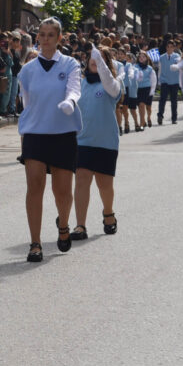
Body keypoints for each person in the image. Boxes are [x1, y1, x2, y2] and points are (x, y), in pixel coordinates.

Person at [16, 18, 82, 263]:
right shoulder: (28, 70)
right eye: (42, 34)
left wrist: (70, 101)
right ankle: (35, 243)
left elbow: (74, 88)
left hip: (63, 133)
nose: (45, 39)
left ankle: (63, 225)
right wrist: (28, 127)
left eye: (50, 35)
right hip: (35, 133)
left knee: (62, 192)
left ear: (59, 38)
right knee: (34, 187)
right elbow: (26, 102)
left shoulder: (70, 64)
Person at [70, 46, 121, 241]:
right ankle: (80, 225)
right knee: (82, 180)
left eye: (100, 58)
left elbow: (109, 83)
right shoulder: (79, 84)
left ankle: (108, 213)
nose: (94, 60)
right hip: (82, 141)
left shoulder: (113, 85)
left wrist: (101, 64)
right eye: (92, 57)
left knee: (104, 184)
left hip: (106, 142)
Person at [156, 38, 180, 125]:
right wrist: (159, 80)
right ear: (166, 47)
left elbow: (180, 67)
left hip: (174, 81)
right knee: (162, 99)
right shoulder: (162, 57)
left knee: (174, 100)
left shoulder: (177, 57)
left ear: (174, 48)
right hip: (164, 80)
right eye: (168, 47)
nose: (169, 48)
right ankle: (160, 116)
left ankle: (174, 118)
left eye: (171, 47)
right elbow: (160, 69)